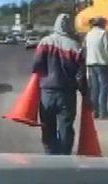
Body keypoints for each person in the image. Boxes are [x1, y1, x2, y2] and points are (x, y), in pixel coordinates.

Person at [32, 14, 87, 155]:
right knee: (66, 126)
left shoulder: (45, 42)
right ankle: (64, 157)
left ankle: (50, 154)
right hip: (67, 94)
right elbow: (80, 75)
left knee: (47, 126)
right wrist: (85, 94)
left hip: (47, 93)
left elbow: (36, 65)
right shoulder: (75, 46)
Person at [85, 17, 108, 119]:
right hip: (102, 64)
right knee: (104, 88)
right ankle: (103, 112)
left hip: (91, 64)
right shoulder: (103, 33)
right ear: (101, 24)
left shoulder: (89, 34)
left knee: (95, 89)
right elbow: (107, 50)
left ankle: (94, 112)